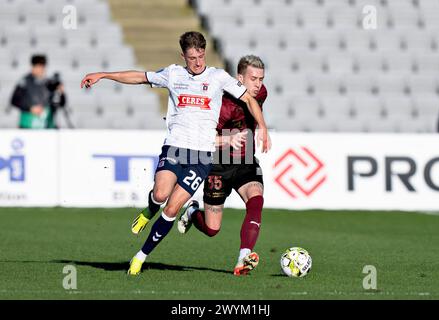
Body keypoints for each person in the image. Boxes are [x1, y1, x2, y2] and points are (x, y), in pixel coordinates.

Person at [80, 31, 270, 276]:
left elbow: (252, 101)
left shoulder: (219, 78)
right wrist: (104, 75)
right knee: (161, 196)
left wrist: (263, 127)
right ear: (183, 56)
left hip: (204, 158)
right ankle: (152, 209)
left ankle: (141, 256)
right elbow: (139, 77)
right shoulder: (173, 74)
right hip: (181, 150)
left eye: (201, 56)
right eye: (193, 58)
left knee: (172, 209)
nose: (198, 62)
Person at [176, 55, 269, 276]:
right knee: (211, 229)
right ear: (239, 78)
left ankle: (243, 258)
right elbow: (200, 138)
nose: (258, 84)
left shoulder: (260, 93)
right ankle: (192, 212)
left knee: (256, 200)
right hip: (217, 166)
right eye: (253, 78)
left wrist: (262, 127)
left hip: (245, 162)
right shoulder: (220, 106)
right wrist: (226, 140)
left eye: (261, 79)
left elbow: (255, 108)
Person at [11, 54, 66, 129]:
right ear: (33, 67)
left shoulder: (49, 83)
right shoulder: (24, 82)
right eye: (38, 66)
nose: (41, 69)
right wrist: (30, 108)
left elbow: (60, 104)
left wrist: (61, 93)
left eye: (42, 66)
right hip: (28, 125)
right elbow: (14, 100)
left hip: (46, 125)